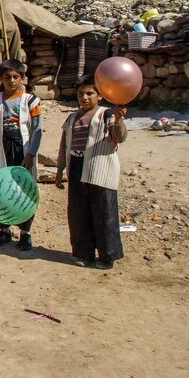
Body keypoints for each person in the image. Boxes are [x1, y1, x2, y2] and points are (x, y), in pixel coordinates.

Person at [56, 74, 128, 269]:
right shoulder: (72, 117)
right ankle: (82, 253)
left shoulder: (107, 115)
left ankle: (107, 256)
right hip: (77, 167)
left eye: (89, 93)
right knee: (78, 213)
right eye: (80, 94)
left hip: (100, 170)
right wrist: (60, 168)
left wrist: (119, 120)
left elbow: (119, 137)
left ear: (100, 96)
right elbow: (65, 144)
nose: (84, 98)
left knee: (104, 212)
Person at [0, 59, 42, 250]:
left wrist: (31, 154)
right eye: (7, 77)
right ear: (1, 79)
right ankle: (4, 230)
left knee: (25, 188)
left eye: (16, 76)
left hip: (23, 149)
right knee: (3, 187)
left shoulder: (31, 101)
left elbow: (37, 130)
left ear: (23, 78)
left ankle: (25, 232)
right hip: (1, 149)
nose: (12, 81)